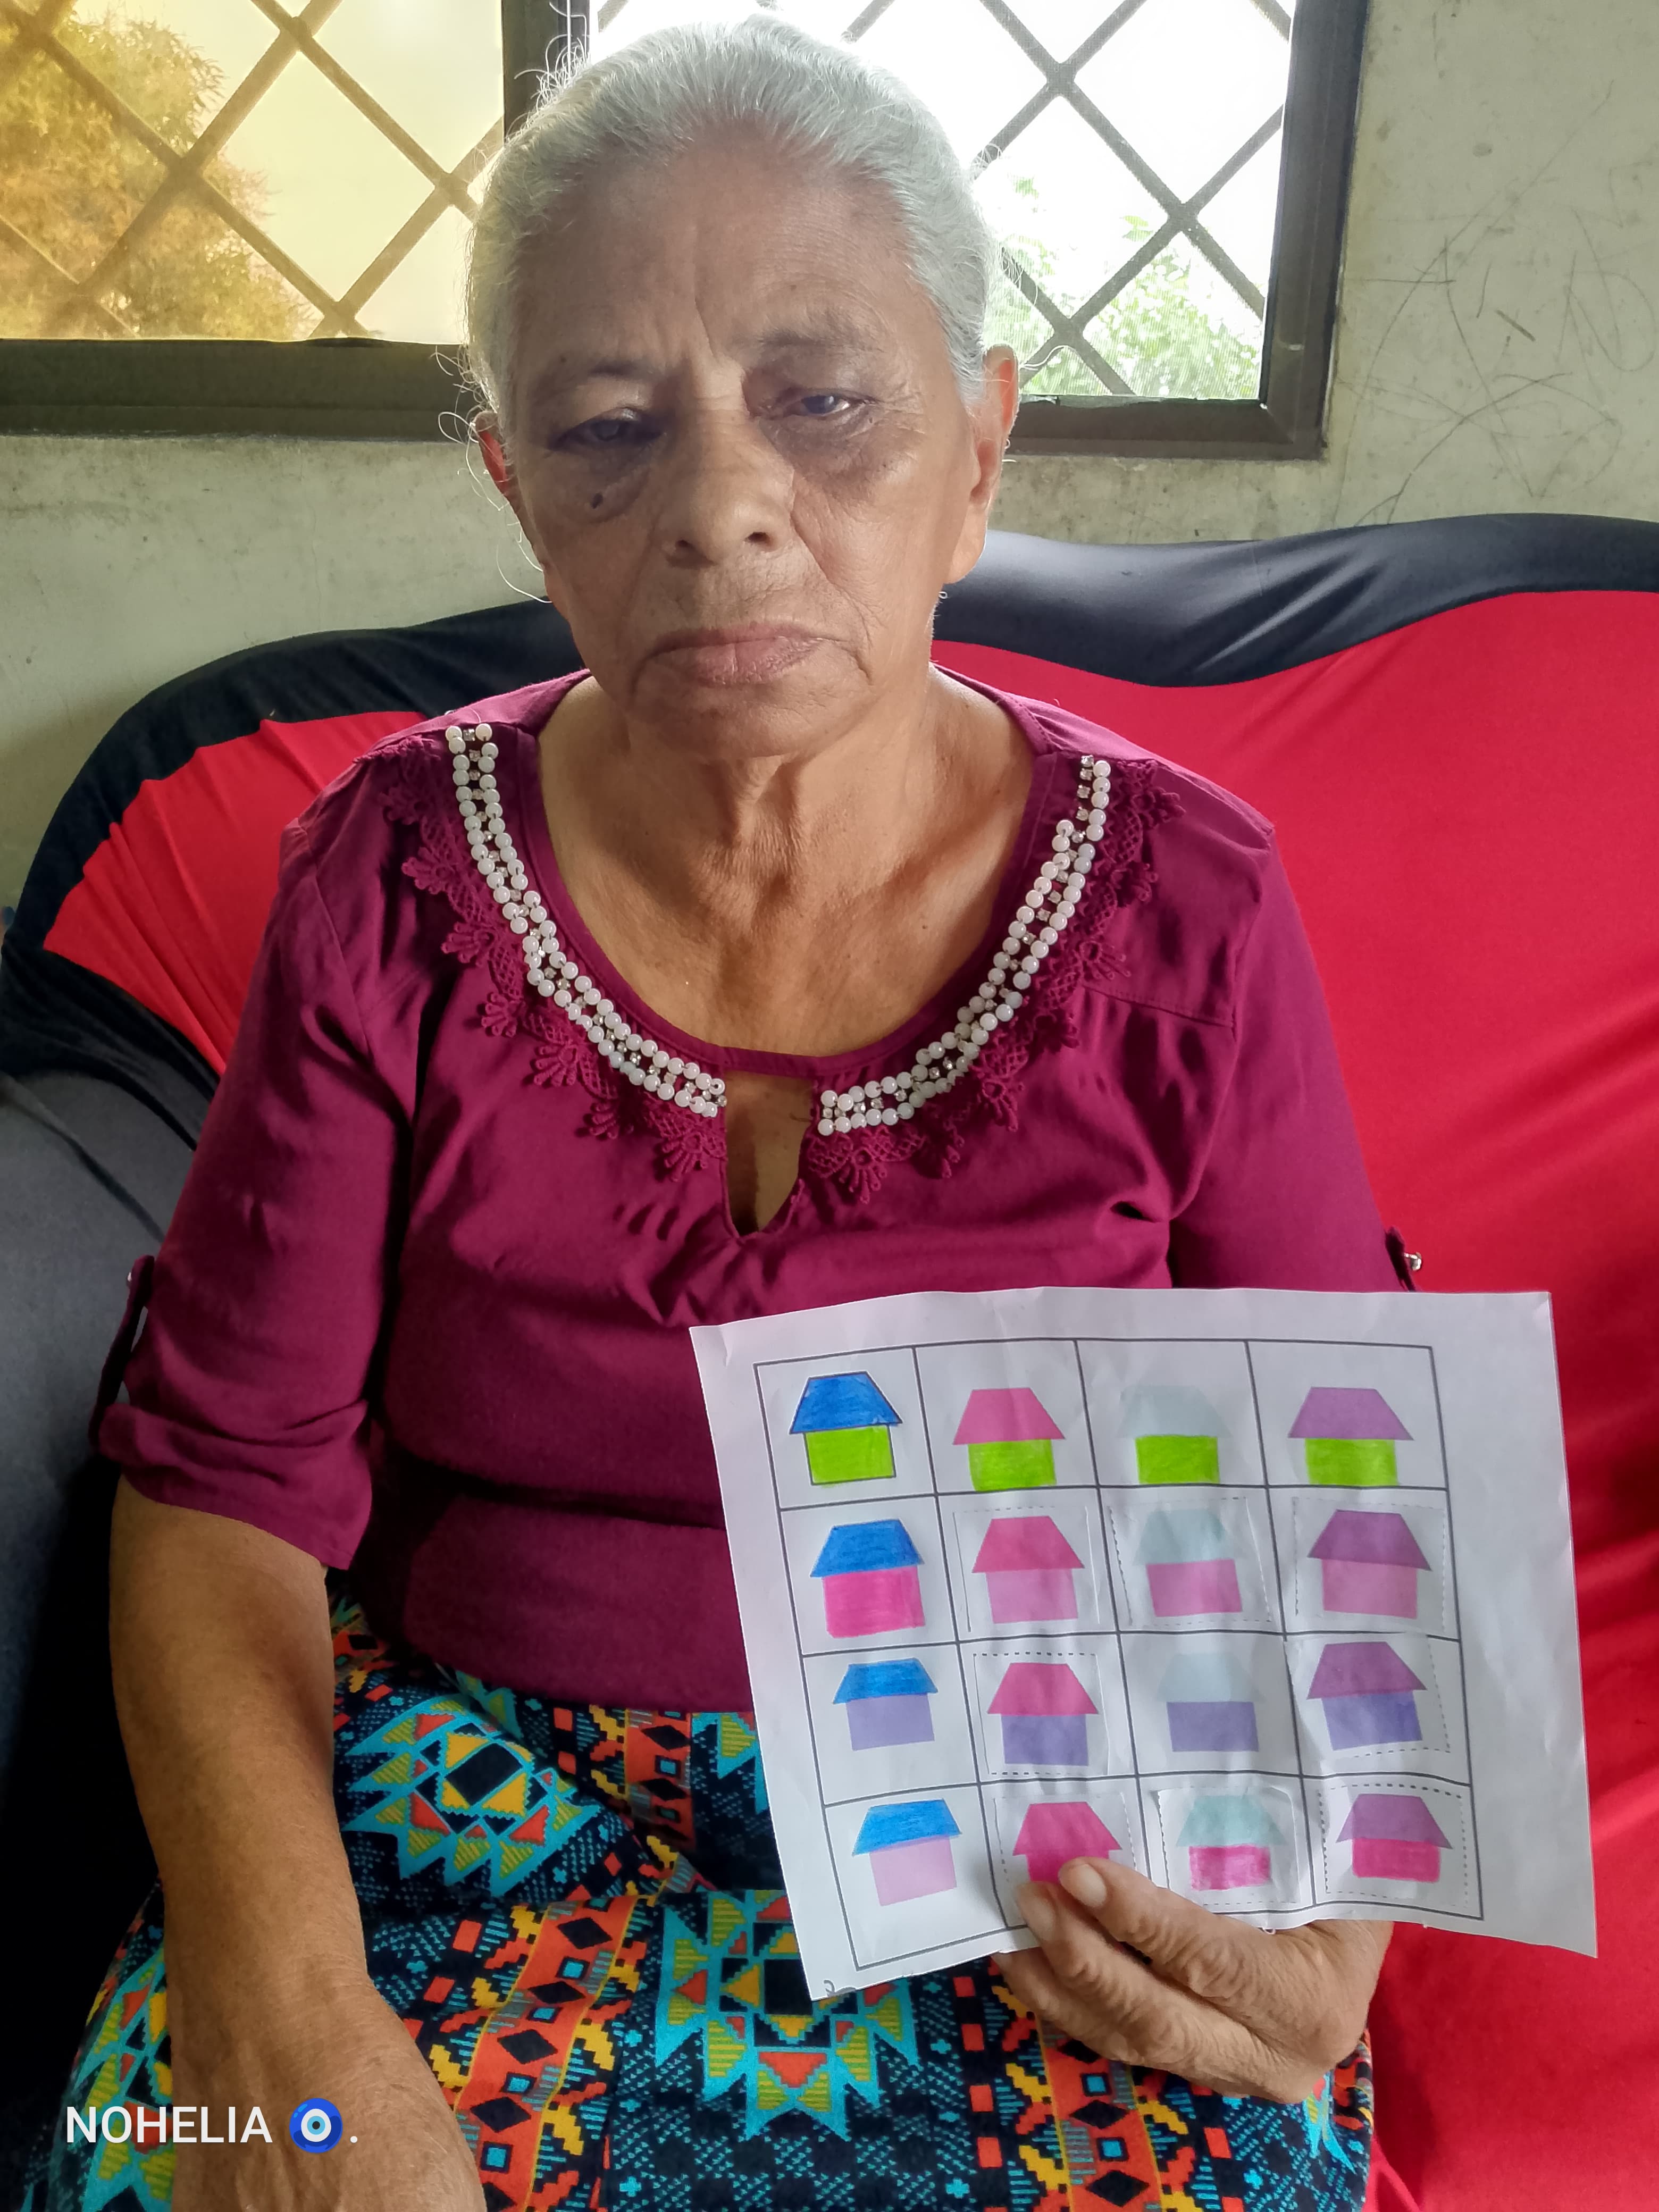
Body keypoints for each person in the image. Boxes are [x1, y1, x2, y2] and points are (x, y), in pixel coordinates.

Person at [31, 20, 1395, 2211]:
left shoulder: (1186, 904)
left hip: (1036, 1848)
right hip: (452, 1792)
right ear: (517, 490)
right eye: (610, 428)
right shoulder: (390, 876)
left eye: (824, 402)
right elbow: (219, 1486)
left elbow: (1341, 1480)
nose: (720, 506)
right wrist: (283, 2012)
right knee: (164, 2158)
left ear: (979, 449)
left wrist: (1335, 1932)